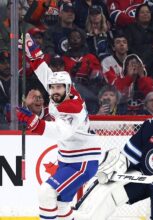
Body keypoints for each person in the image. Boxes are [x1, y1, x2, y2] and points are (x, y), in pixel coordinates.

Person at [16, 33, 100, 219]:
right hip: (68, 159)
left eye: (58, 88)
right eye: (52, 88)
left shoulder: (72, 107)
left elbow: (61, 132)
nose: (54, 91)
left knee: (46, 193)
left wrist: (34, 123)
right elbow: (47, 75)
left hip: (82, 162)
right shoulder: (63, 90)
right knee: (61, 205)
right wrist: (34, 53)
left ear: (68, 88)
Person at [75, 99, 153, 220]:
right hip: (142, 178)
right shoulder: (152, 125)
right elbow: (131, 154)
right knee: (112, 195)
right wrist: (119, 165)